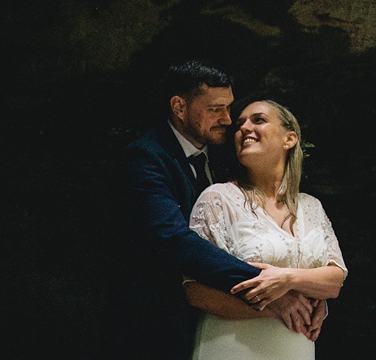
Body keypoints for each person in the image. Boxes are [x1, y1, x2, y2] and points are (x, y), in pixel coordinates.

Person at [107, 62, 320, 360]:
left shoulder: (226, 156)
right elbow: (171, 239)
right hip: (159, 320)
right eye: (216, 109)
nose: (228, 119)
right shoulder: (147, 157)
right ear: (179, 107)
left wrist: (308, 292)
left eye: (229, 108)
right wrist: (269, 290)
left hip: (235, 321)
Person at [186, 99, 346, 359]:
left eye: (258, 120)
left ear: (289, 139)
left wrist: (287, 280)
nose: (244, 128)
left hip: (295, 348)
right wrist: (279, 305)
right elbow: (196, 291)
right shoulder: (218, 199)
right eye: (240, 125)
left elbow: (335, 280)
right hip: (232, 345)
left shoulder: (311, 206)